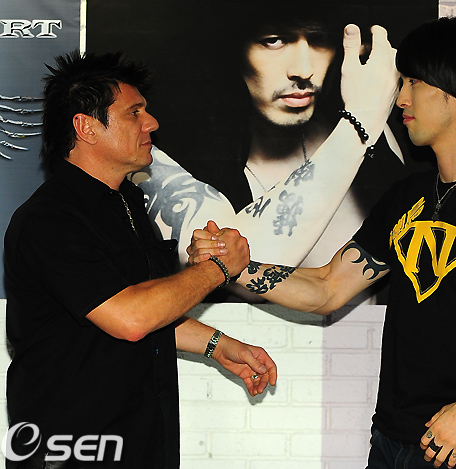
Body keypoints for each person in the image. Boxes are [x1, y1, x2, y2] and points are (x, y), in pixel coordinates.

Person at [189, 17, 456, 468]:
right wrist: (235, 265)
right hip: (391, 443)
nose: (400, 98)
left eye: (413, 82)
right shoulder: (406, 196)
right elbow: (327, 288)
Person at [3, 51, 277, 468]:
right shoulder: (50, 220)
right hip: (71, 451)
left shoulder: (127, 204)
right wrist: (218, 269)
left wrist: (218, 345)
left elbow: (145, 309)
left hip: (142, 443)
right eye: (134, 113)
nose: (151, 123)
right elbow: (129, 318)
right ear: (86, 127)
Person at [132, 0, 414, 276]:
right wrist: (360, 121)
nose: (303, 70)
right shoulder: (153, 158)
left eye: (318, 39)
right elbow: (231, 272)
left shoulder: (378, 133)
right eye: (274, 41)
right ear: (232, 50)